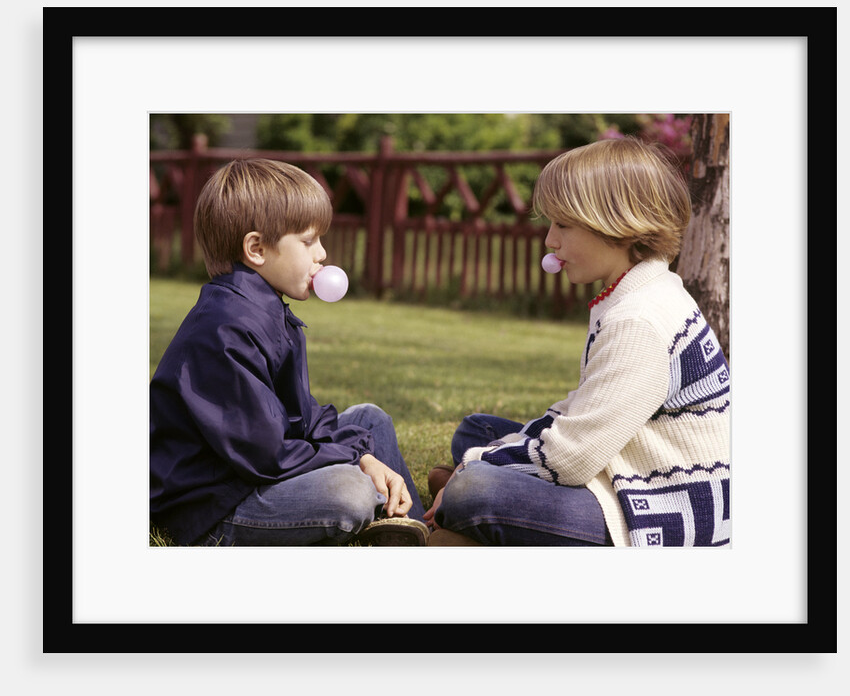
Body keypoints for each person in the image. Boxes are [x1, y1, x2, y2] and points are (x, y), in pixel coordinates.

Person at [424, 137, 731, 547]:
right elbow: (584, 409)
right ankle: (480, 517)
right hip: (628, 464)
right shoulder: (637, 290)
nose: (550, 241)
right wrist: (482, 456)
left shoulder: (638, 320)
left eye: (563, 226)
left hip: (659, 507)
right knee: (476, 431)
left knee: (473, 488)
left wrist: (472, 471)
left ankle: (468, 518)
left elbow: (571, 458)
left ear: (619, 225)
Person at [150, 158, 428, 547]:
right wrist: (356, 459)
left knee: (371, 420)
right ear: (257, 248)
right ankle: (384, 519)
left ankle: (407, 530)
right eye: (309, 240)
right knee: (351, 491)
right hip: (217, 505)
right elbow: (266, 454)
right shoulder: (224, 329)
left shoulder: (266, 309)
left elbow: (300, 416)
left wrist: (360, 451)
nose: (322, 254)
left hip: (252, 474)